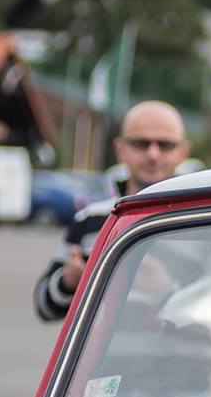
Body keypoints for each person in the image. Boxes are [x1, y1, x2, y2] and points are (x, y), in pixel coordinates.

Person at [33, 101, 192, 322]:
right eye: (140, 143)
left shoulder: (206, 220)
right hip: (103, 346)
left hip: (182, 344)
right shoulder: (89, 218)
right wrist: (69, 282)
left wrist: (168, 291)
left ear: (183, 152)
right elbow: (44, 306)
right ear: (119, 149)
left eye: (165, 145)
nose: (153, 154)